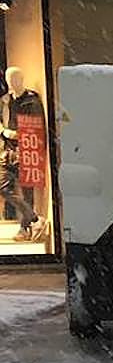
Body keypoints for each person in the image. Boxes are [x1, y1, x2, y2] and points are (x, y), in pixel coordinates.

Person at [1, 67, 46, 242]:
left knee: (27, 190)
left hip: (26, 149)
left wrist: (16, 134)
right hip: (8, 151)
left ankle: (25, 227)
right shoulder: (6, 101)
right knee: (3, 186)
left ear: (22, 79)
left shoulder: (31, 101)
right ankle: (35, 219)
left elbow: (35, 126)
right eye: (9, 79)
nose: (12, 82)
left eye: (15, 78)